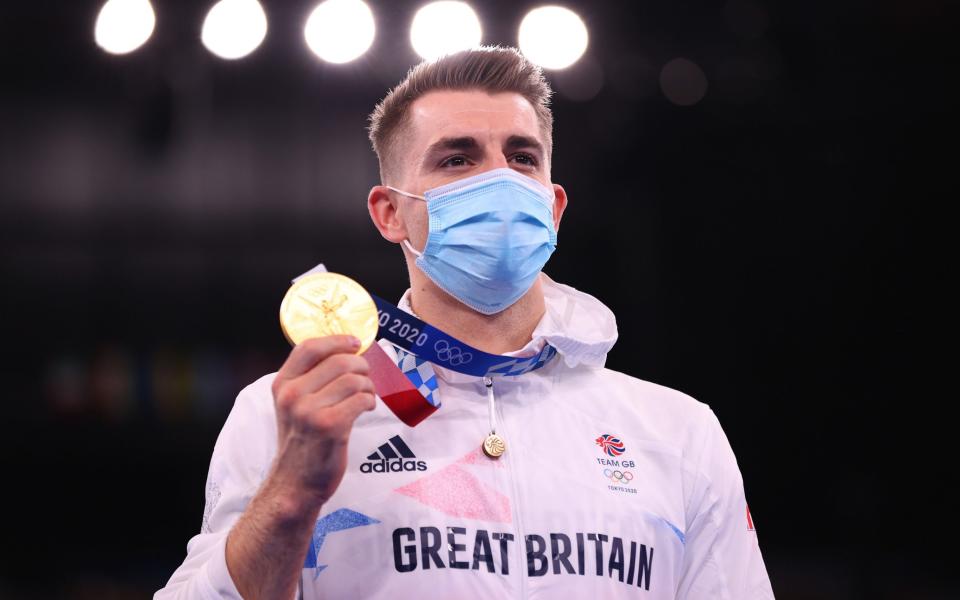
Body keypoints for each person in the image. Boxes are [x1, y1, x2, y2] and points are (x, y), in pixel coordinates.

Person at [156, 47, 775, 599]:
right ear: (390, 212)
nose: (498, 179)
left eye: (522, 157)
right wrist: (290, 496)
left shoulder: (677, 432)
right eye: (457, 160)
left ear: (554, 206)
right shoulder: (283, 413)